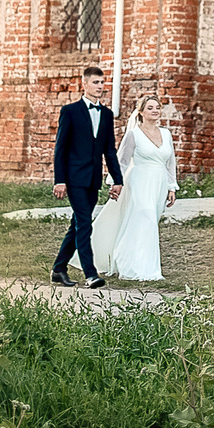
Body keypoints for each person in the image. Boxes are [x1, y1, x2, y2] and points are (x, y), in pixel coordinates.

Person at [49, 65, 124, 287]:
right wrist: (60, 180)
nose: (100, 86)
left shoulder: (107, 115)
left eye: (102, 82)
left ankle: (58, 269)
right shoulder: (70, 111)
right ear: (84, 84)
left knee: (78, 224)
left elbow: (109, 150)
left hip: (93, 179)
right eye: (95, 82)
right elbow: (60, 149)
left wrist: (118, 180)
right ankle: (91, 275)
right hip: (73, 179)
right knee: (84, 224)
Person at [107, 98, 181, 282]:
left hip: (159, 183)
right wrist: (116, 182)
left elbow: (170, 163)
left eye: (158, 108)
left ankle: (134, 260)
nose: (155, 111)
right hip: (139, 181)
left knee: (149, 222)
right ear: (141, 112)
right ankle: (140, 270)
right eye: (150, 108)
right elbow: (122, 161)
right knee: (145, 218)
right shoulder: (134, 135)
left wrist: (172, 187)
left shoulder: (166, 134)